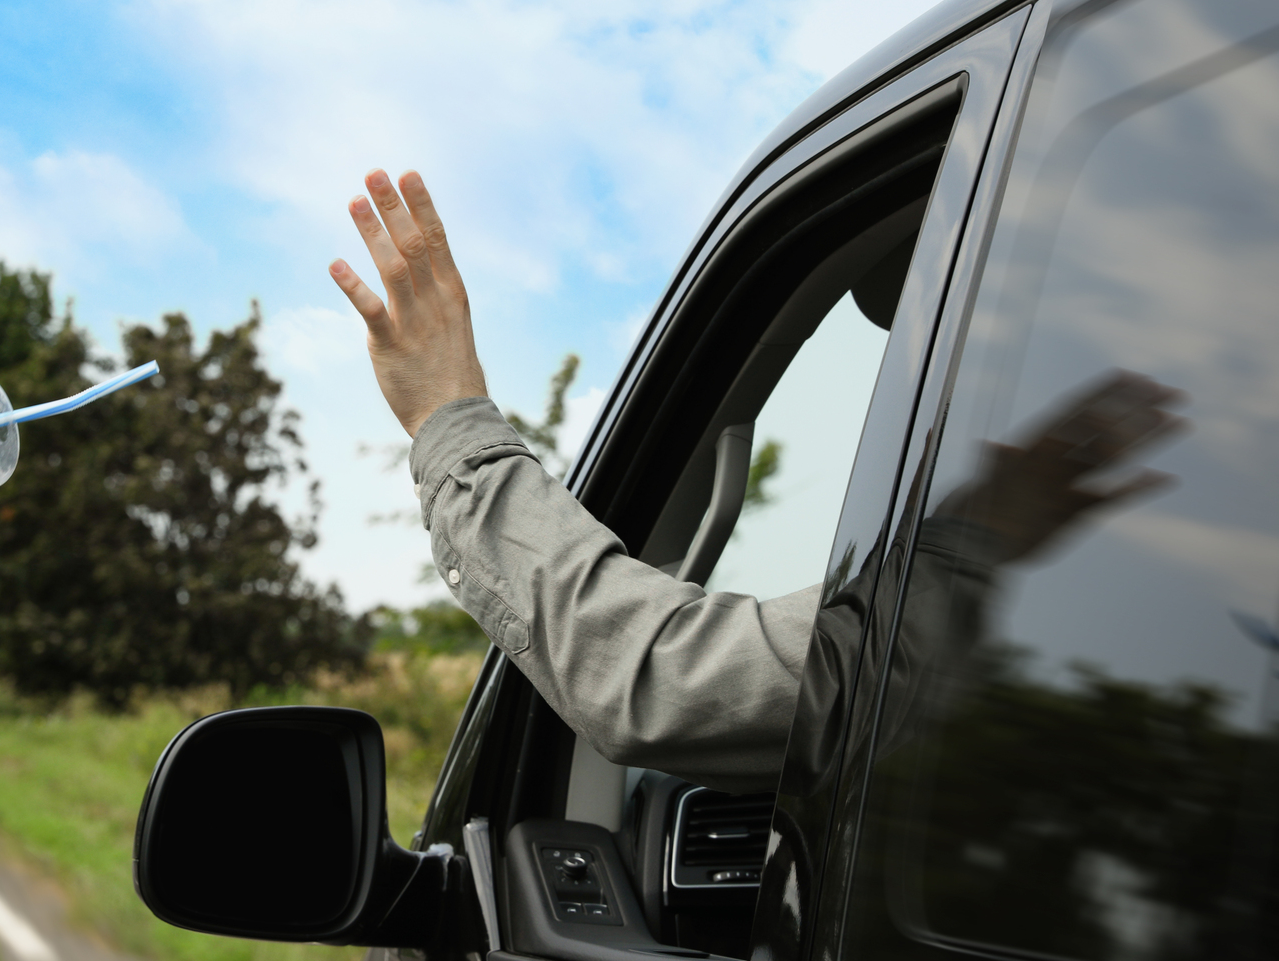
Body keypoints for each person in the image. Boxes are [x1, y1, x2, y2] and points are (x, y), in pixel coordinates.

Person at [328, 168, 1184, 793]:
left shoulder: (955, 629)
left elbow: (652, 678)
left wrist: (451, 417)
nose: (981, 442)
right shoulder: (1161, 618)